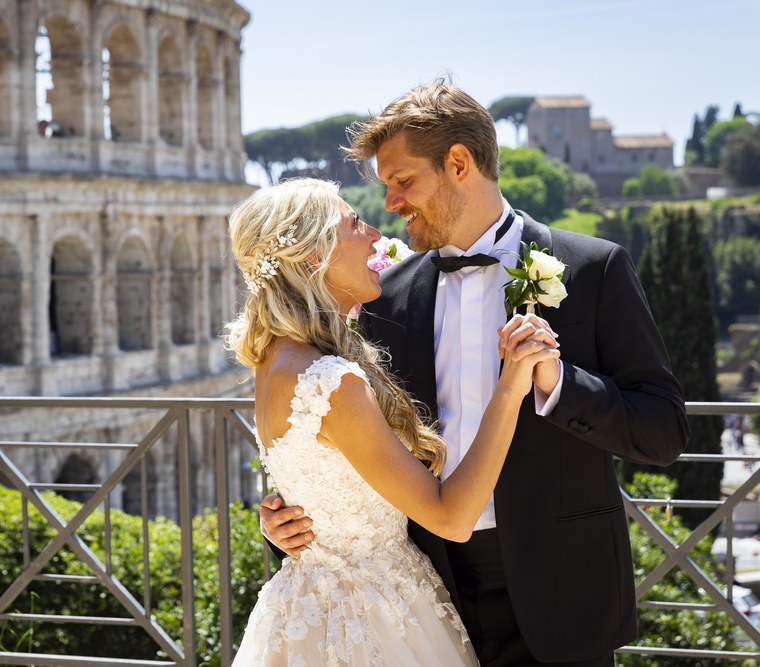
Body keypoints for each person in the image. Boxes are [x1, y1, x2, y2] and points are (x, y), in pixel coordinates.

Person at [261, 83, 690, 666]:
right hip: (422, 597)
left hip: (561, 593)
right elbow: (341, 428)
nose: (391, 204)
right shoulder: (383, 296)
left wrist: (558, 385)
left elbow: (662, 431)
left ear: (458, 163)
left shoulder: (594, 269)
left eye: (403, 181)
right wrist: (288, 513)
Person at [226, 178, 561, 666]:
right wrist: (511, 387)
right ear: (316, 255)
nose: (374, 234)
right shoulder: (330, 382)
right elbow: (451, 517)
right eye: (354, 224)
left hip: (305, 608)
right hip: (375, 620)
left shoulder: (273, 360)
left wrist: (280, 516)